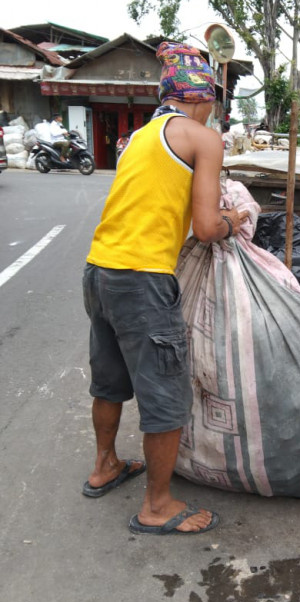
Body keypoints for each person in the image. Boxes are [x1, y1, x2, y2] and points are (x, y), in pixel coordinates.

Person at [82, 41, 249, 535]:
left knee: (109, 380)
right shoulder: (203, 137)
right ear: (207, 98)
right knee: (166, 392)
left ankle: (105, 465)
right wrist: (233, 219)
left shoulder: (139, 137)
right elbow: (203, 227)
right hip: (143, 279)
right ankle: (157, 506)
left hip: (99, 271)